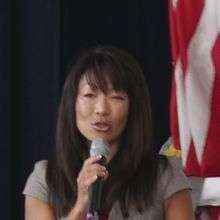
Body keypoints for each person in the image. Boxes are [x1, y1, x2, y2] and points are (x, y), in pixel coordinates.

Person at [23, 45, 195, 220]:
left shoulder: (165, 175)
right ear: (72, 103)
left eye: (116, 97)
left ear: (133, 108)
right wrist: (81, 206)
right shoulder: (45, 179)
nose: (101, 109)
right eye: (89, 95)